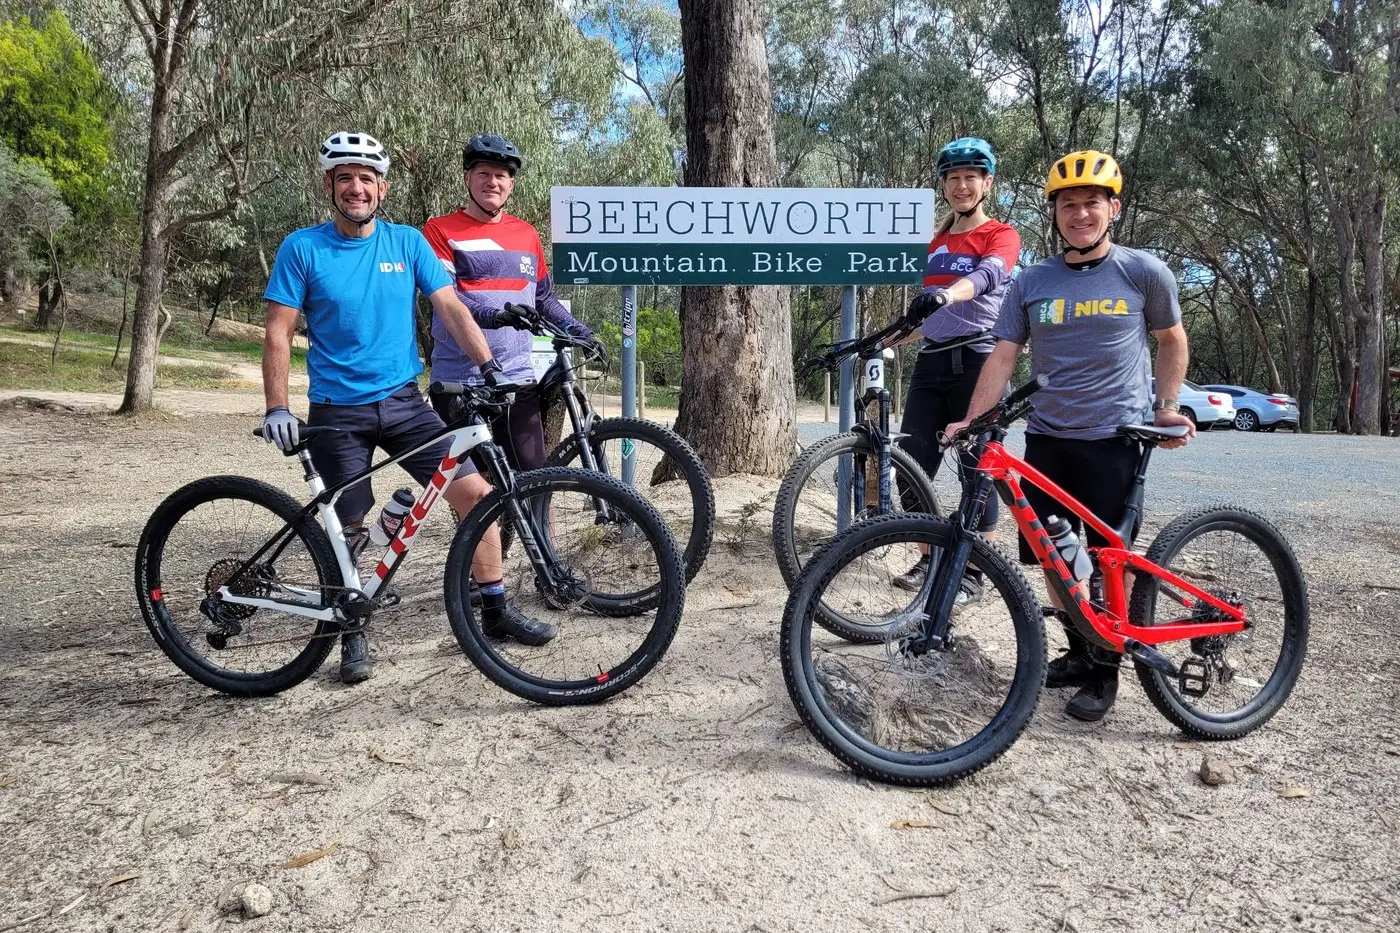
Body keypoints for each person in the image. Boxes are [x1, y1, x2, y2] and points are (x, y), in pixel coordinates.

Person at [260, 130, 555, 687]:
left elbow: (451, 306)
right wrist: (277, 406)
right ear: (329, 185)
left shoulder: (406, 243)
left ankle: (494, 608)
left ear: (382, 188)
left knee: (477, 496)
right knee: (348, 521)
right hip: (336, 409)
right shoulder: (303, 247)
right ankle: (348, 631)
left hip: (403, 402)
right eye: (345, 178)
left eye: (365, 179)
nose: (356, 188)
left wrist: (489, 368)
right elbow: (277, 333)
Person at [944, 149, 1195, 722]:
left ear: (1113, 210)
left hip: (1116, 436)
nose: (1080, 214)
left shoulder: (1142, 271)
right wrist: (974, 419)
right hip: (1049, 438)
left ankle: (1107, 668)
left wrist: (1167, 407)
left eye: (1091, 203)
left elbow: (1172, 340)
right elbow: (1004, 354)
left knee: (1108, 558)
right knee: (1055, 558)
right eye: (1068, 205)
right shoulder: (1033, 280)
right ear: (1054, 213)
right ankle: (1082, 650)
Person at [422, 134, 602, 476]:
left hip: (517, 380)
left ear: (511, 184)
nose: (493, 182)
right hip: (462, 383)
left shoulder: (526, 234)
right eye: (483, 173)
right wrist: (497, 315)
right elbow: (447, 300)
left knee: (537, 481)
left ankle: (540, 533)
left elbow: (543, 298)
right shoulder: (439, 230)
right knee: (475, 493)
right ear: (467, 178)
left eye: (501, 175)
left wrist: (580, 331)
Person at [892, 138, 1021, 603]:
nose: (962, 185)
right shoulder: (936, 242)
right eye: (953, 178)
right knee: (912, 467)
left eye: (971, 177)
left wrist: (949, 292)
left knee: (975, 470)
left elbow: (989, 277)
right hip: (930, 364)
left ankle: (972, 572)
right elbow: (930, 314)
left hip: (978, 360)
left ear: (987, 183)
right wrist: (885, 340)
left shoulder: (1000, 234)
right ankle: (930, 560)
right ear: (943, 185)